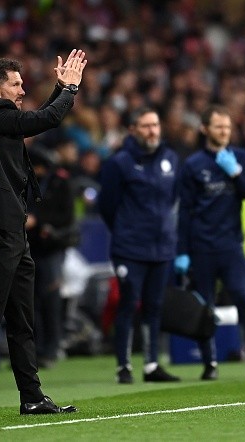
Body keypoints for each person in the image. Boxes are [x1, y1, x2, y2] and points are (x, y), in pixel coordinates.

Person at [0, 49, 87, 418]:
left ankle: (31, 396)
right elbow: (44, 120)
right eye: (15, 84)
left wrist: (61, 88)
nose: (21, 88)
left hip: (11, 228)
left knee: (20, 318)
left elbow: (36, 119)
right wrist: (70, 90)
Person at [175, 104, 245, 381]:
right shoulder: (193, 165)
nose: (224, 132)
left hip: (232, 245)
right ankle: (210, 364)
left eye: (228, 127)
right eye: (219, 127)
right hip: (202, 247)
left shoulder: (240, 157)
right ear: (205, 129)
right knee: (206, 307)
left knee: (243, 299)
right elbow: (185, 211)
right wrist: (182, 252)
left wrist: (235, 173)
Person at [98, 107, 180, 384]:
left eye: (155, 125)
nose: (153, 131)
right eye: (146, 126)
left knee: (155, 306)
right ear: (133, 130)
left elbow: (173, 201)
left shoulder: (170, 159)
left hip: (162, 247)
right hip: (130, 248)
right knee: (128, 304)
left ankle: (152, 364)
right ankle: (124, 365)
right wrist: (125, 232)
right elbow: (107, 206)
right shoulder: (118, 163)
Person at [25, 146, 76, 369]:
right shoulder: (28, 182)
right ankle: (36, 349)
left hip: (52, 248)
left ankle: (52, 347)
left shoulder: (60, 183)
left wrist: (40, 220)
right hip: (30, 247)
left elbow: (67, 216)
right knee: (32, 302)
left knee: (50, 299)